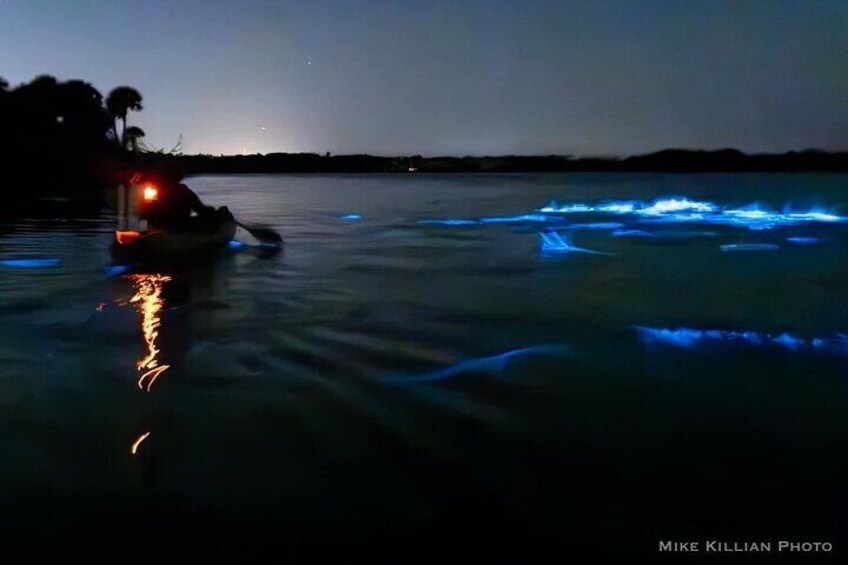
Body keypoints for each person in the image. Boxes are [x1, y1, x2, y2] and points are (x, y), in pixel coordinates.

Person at [138, 177, 225, 232]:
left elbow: (144, 212)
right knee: (206, 217)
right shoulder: (182, 191)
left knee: (200, 215)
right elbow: (198, 208)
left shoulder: (153, 191)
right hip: (178, 227)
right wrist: (212, 213)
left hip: (163, 226)